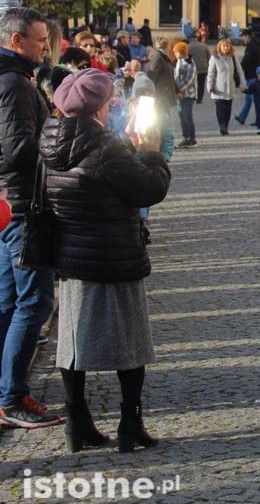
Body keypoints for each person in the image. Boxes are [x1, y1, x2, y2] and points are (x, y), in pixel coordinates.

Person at [40, 68, 170, 452]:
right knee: (130, 344)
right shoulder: (107, 149)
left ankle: (76, 421)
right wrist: (150, 153)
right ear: (98, 108)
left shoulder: (47, 143)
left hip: (72, 255)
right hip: (113, 253)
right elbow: (149, 188)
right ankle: (130, 422)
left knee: (73, 344)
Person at [0, 7, 60, 429]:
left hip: (9, 203)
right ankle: (12, 396)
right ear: (17, 40)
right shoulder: (15, 84)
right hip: (22, 205)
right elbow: (18, 149)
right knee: (35, 300)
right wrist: (56, 136)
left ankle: (4, 392)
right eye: (40, 41)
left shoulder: (15, 79)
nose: (46, 48)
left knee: (6, 302)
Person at [206, 37, 244, 135]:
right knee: (220, 108)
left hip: (230, 87)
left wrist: (242, 83)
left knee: (227, 108)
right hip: (218, 88)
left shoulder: (233, 57)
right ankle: (222, 126)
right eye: (224, 46)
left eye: (228, 46)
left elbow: (239, 71)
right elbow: (211, 73)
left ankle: (225, 126)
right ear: (219, 47)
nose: (226, 48)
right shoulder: (214, 58)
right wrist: (209, 86)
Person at [234, 29, 260, 127]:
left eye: (243, 37)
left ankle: (259, 120)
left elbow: (246, 60)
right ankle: (242, 117)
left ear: (247, 36)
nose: (242, 39)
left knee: (256, 99)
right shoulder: (259, 44)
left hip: (252, 75)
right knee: (249, 98)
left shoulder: (251, 46)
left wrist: (239, 70)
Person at [172, 41, 197, 147]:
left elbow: (190, 79)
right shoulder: (179, 61)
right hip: (179, 93)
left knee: (187, 116)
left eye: (176, 52)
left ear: (181, 52)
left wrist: (179, 90)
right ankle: (185, 136)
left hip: (188, 94)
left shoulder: (189, 62)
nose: (175, 54)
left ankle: (192, 138)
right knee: (181, 115)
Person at [188, 34, 211, 105]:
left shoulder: (188, 47)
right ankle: (199, 99)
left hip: (192, 68)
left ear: (190, 39)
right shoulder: (204, 46)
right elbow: (209, 57)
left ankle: (194, 96)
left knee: (193, 83)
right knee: (201, 84)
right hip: (203, 68)